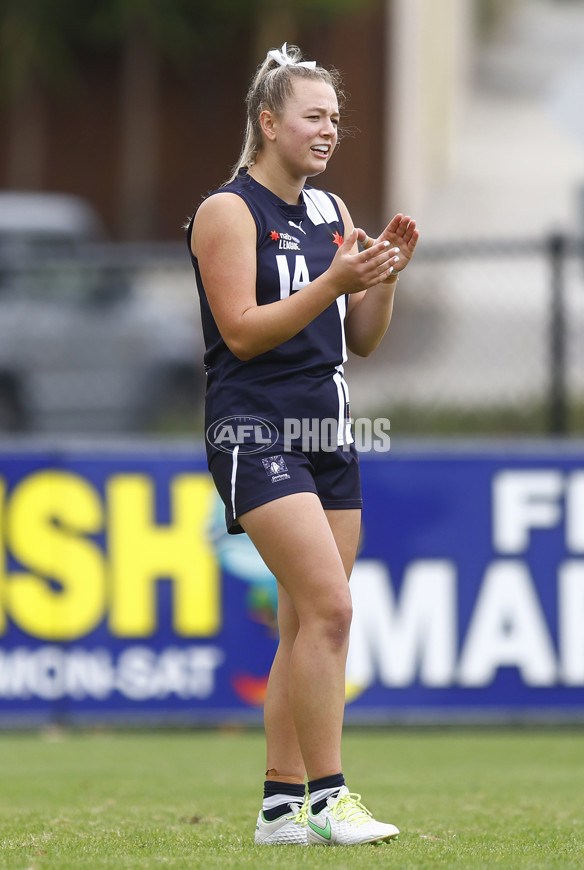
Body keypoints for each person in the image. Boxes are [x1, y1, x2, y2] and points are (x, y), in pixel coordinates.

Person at [186, 42, 419, 847]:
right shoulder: (229, 211)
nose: (329, 131)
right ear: (269, 120)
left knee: (305, 625)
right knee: (332, 607)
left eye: (335, 119)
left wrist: (382, 280)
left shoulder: (333, 213)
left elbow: (365, 339)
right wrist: (331, 283)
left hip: (329, 429)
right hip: (254, 429)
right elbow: (242, 335)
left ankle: (281, 808)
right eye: (315, 116)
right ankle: (331, 798)